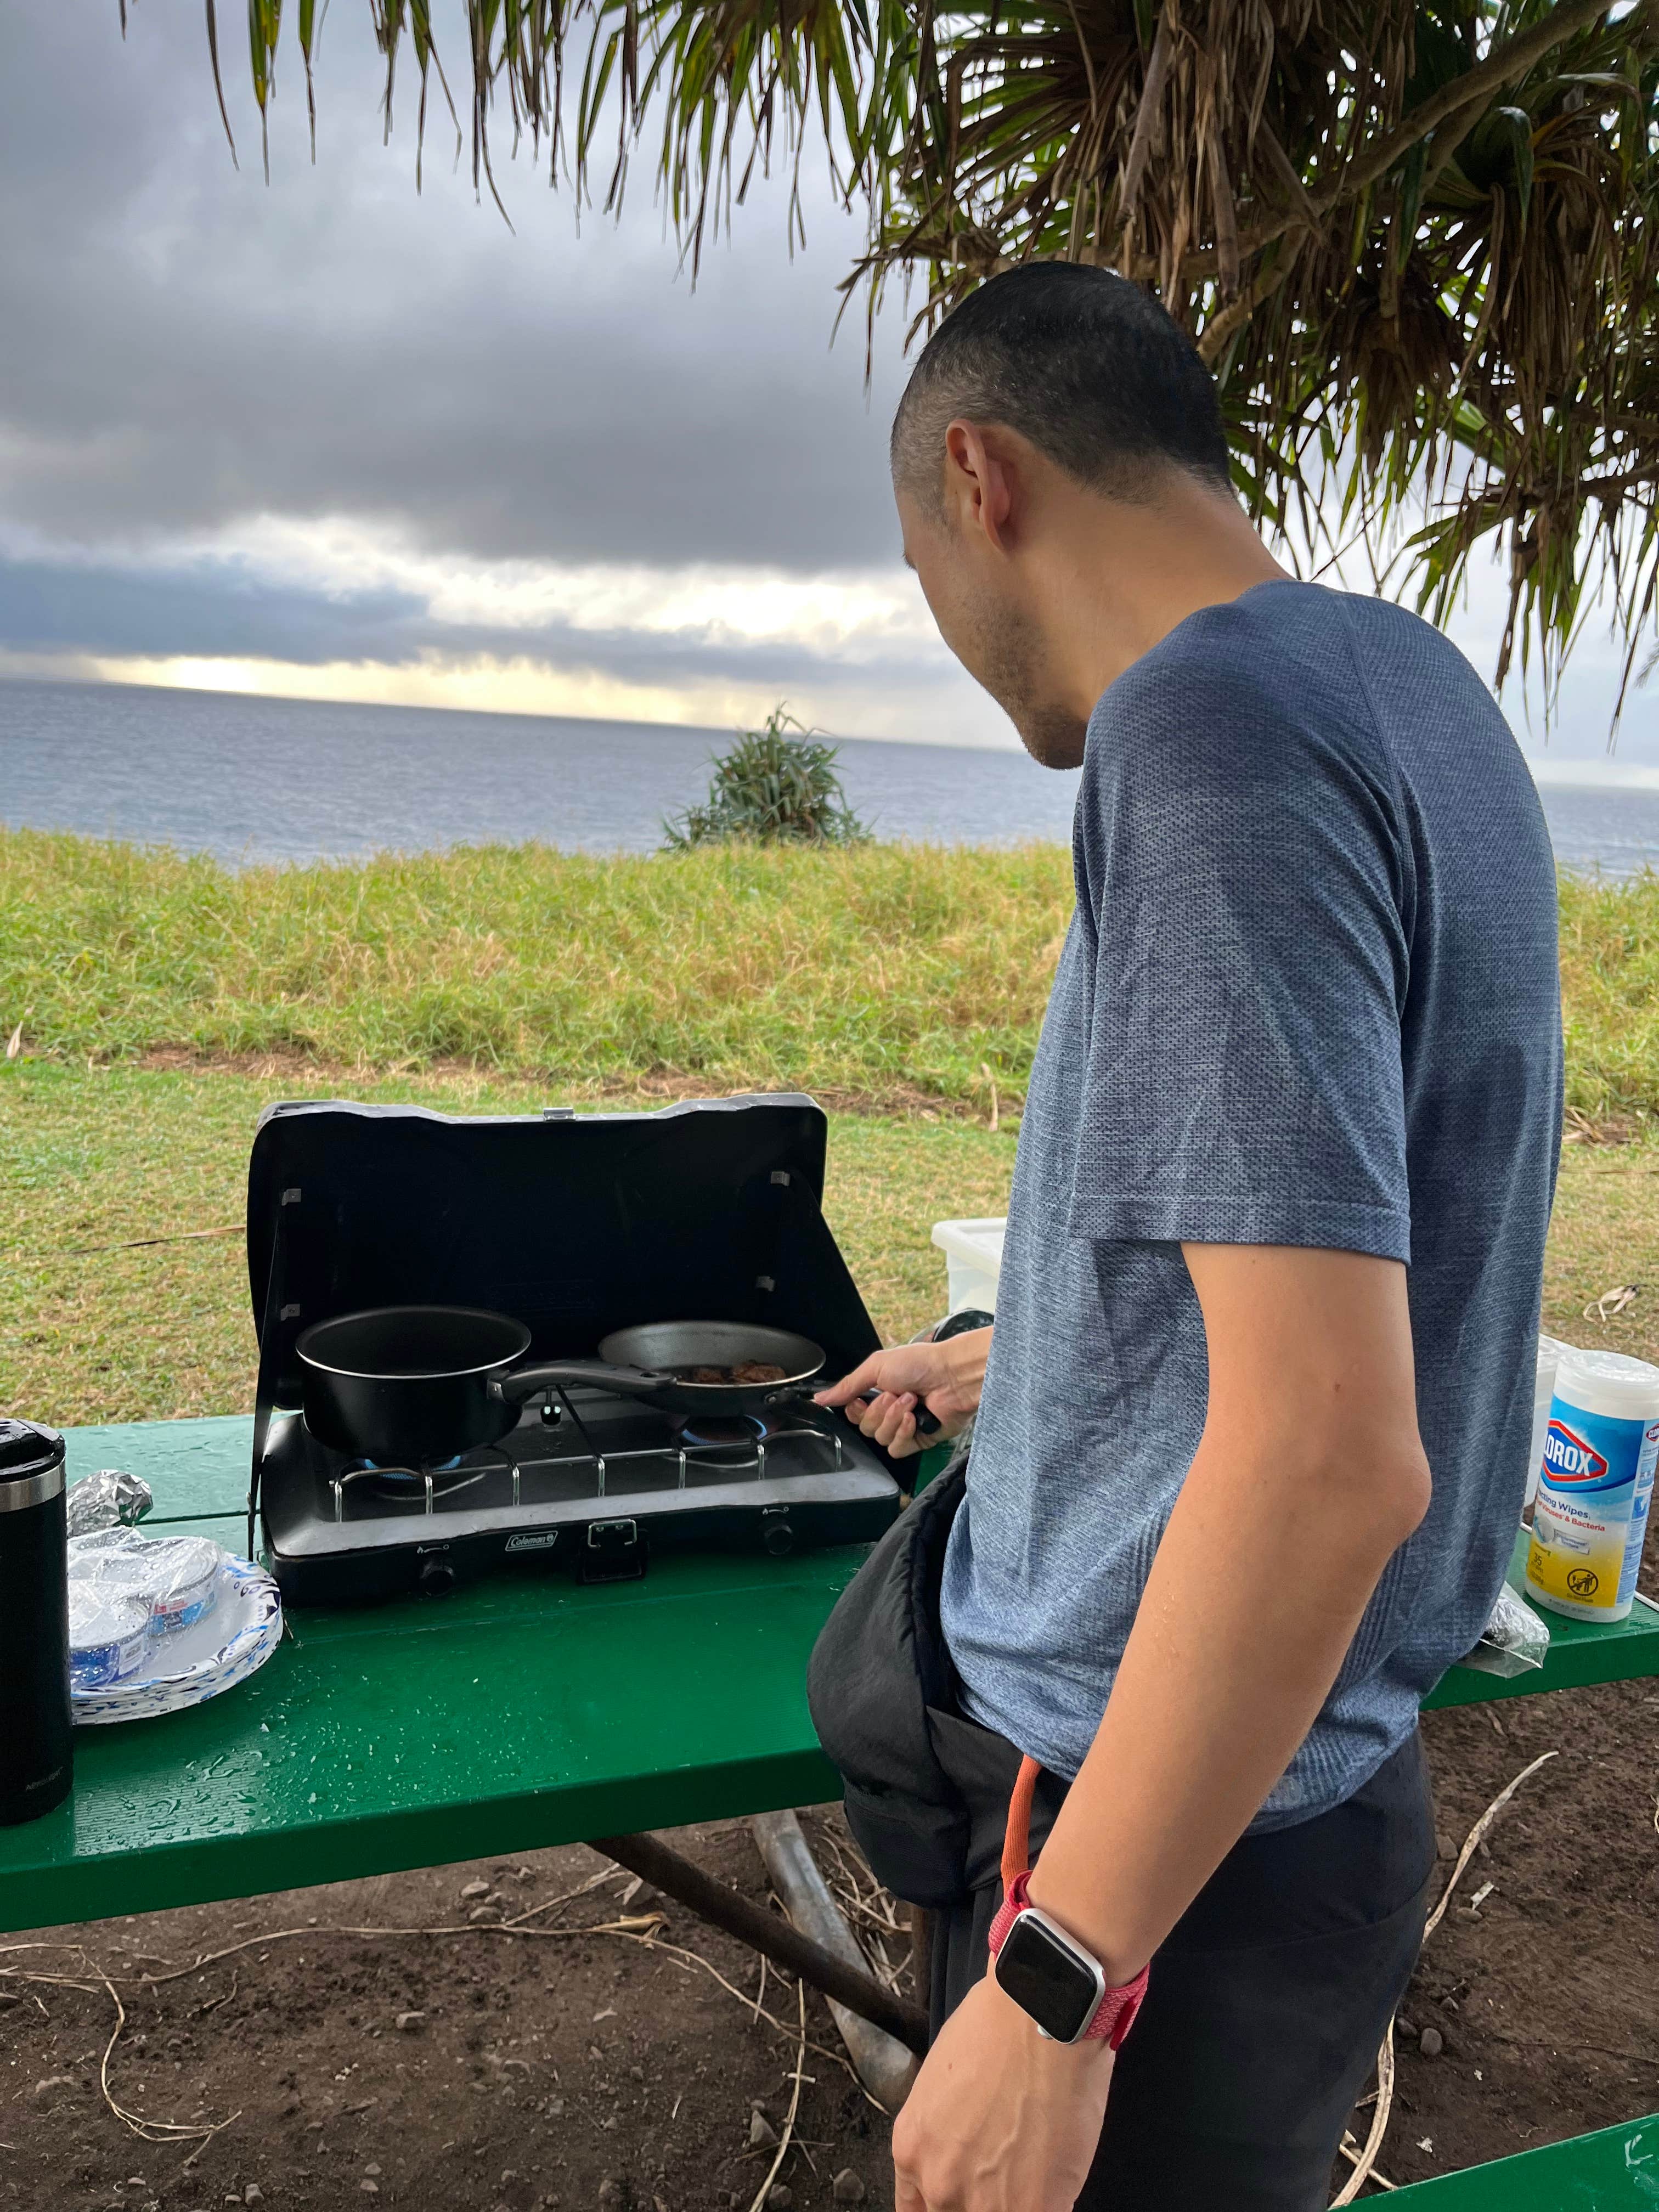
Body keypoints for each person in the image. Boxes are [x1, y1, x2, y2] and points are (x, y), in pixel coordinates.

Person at [811, 262, 1562, 2211]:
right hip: (1293, 1815)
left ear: (980, 481)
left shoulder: (1204, 736)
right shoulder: (1409, 690)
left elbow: (1327, 1455)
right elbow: (1366, 1249)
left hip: (1144, 1846)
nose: (952, 630)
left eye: (918, 570)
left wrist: (1059, 1982)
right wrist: (1029, 1358)